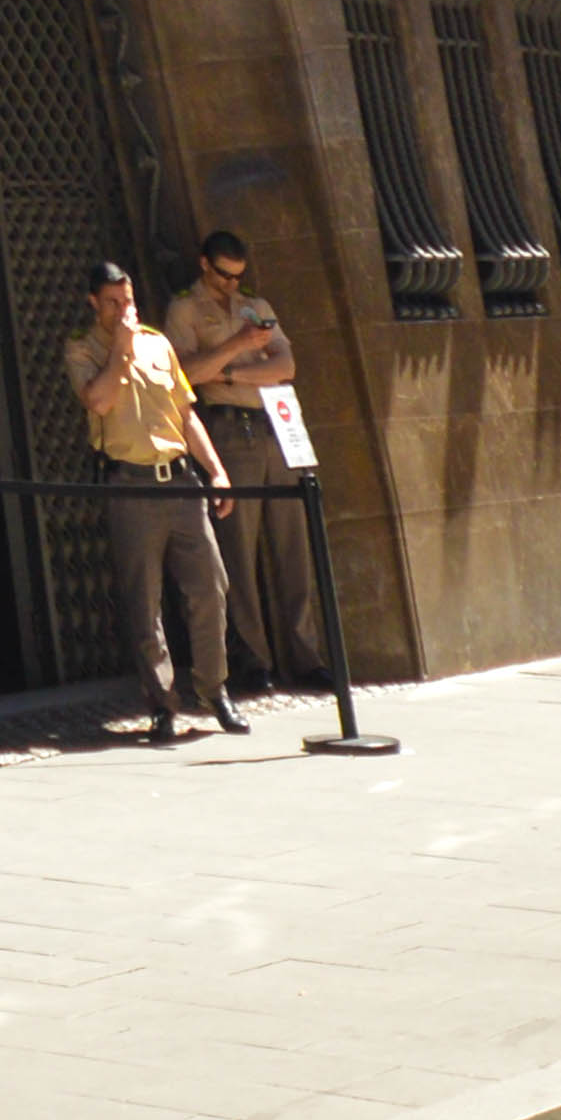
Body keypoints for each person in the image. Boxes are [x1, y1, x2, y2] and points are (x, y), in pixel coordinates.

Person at [63, 254, 243, 745]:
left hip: (181, 481)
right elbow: (98, 401)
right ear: (94, 303)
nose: (124, 311)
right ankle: (162, 703)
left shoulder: (158, 344)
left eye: (129, 301)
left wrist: (216, 470)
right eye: (113, 303)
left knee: (210, 585)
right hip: (131, 484)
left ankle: (214, 689)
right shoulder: (83, 348)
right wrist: (121, 351)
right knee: (144, 600)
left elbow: (185, 414)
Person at [165, 230, 325, 693]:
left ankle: (307, 655)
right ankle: (253, 659)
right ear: (204, 264)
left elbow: (285, 367)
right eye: (223, 276)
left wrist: (230, 372)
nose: (232, 285)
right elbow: (188, 375)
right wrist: (237, 344)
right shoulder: (185, 310)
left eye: (238, 276)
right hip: (231, 429)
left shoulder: (257, 304)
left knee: (294, 544)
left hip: (276, 423)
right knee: (238, 547)